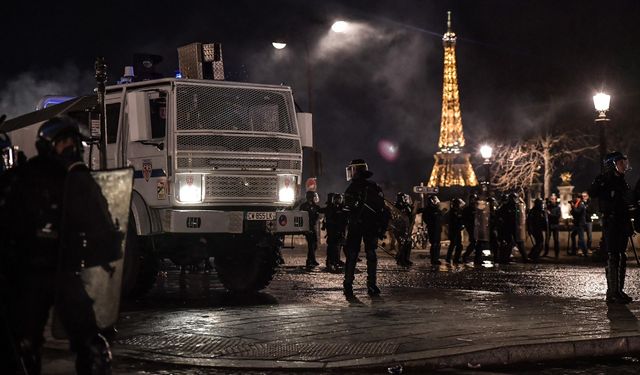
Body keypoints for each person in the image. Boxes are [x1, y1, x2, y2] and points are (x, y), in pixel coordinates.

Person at [0, 117, 115, 374]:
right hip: (28, 272)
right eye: (63, 142)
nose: (71, 147)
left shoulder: (77, 180)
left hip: (65, 269)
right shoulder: (22, 178)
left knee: (92, 343)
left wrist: (102, 248)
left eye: (73, 141)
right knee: (24, 344)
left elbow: (100, 222)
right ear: (49, 145)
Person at [589, 151, 634, 304]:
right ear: (612, 164)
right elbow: (592, 192)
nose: (624, 165)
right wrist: (603, 181)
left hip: (621, 221)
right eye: (620, 162)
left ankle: (619, 291)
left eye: (624, 162)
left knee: (622, 255)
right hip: (612, 221)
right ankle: (612, 292)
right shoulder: (606, 179)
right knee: (613, 255)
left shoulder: (622, 180)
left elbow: (626, 202)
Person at [342, 159, 389, 298]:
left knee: (352, 256)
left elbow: (347, 209)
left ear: (356, 170)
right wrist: (382, 228)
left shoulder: (352, 188)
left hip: (356, 226)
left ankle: (348, 284)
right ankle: (372, 285)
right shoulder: (374, 186)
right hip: (371, 227)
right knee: (371, 255)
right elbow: (383, 210)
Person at [322, 193, 347, 271]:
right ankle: (330, 262)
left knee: (338, 247)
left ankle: (336, 260)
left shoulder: (341, 208)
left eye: (339, 199)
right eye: (337, 199)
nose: (338, 200)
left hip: (339, 231)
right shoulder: (331, 208)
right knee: (332, 247)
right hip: (333, 231)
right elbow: (329, 220)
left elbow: (344, 220)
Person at [300, 191, 321, 268]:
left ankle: (311, 259)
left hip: (313, 226)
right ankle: (310, 260)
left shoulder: (314, 206)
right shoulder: (304, 206)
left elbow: (319, 211)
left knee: (314, 244)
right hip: (307, 226)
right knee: (311, 244)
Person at [421, 194, 443, 265]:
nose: (436, 201)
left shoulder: (437, 208)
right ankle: (433, 259)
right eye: (434, 200)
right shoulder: (428, 209)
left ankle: (436, 259)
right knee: (434, 244)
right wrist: (431, 223)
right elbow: (425, 219)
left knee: (438, 244)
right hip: (432, 229)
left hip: (438, 228)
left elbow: (440, 218)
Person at [394, 192, 414, 267]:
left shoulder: (406, 205)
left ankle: (406, 259)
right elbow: (397, 216)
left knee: (408, 243)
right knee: (402, 244)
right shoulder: (397, 206)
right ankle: (401, 260)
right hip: (399, 228)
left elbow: (410, 213)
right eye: (403, 197)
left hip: (406, 227)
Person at [462, 193, 480, 264]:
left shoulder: (477, 208)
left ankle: (476, 258)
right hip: (471, 227)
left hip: (477, 227)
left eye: (474, 199)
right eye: (472, 199)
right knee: (473, 242)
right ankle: (465, 256)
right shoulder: (467, 209)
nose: (473, 200)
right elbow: (465, 218)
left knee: (477, 242)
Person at [446, 198, 465, 264]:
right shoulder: (453, 211)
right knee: (454, 244)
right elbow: (455, 221)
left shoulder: (457, 211)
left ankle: (454, 258)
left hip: (457, 230)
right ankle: (451, 258)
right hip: (454, 230)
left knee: (457, 245)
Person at [544, 194, 561, 258]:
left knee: (556, 240)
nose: (553, 200)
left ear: (556, 200)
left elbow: (557, 216)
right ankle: (546, 252)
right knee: (547, 239)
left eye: (554, 199)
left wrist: (550, 214)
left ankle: (556, 253)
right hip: (549, 225)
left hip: (555, 225)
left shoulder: (558, 208)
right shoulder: (548, 207)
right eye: (552, 199)